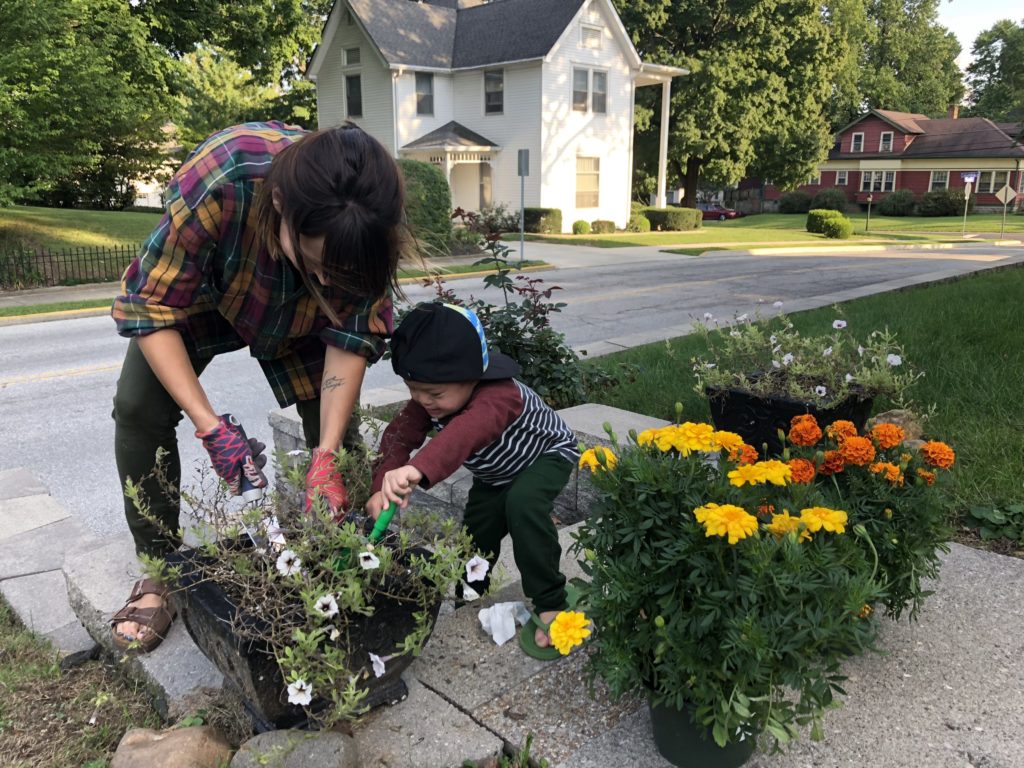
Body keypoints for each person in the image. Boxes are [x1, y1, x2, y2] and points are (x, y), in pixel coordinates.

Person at [109, 121, 407, 652]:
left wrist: (327, 454)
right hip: (205, 290)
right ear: (280, 205)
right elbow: (149, 308)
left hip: (304, 316)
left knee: (339, 448)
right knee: (138, 408)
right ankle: (159, 571)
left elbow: (351, 329)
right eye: (317, 263)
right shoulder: (222, 178)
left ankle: (343, 565)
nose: (329, 280)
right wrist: (210, 427)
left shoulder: (366, 231)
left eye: (340, 274)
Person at [366, 302, 580, 658]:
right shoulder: (431, 398)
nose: (423, 401)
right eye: (414, 389)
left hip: (546, 455)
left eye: (434, 394)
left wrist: (418, 469)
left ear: (473, 376)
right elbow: (400, 436)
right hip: (496, 473)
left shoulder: (500, 394)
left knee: (523, 505)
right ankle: (469, 595)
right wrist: (380, 487)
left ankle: (550, 601)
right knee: (477, 531)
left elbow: (467, 432)